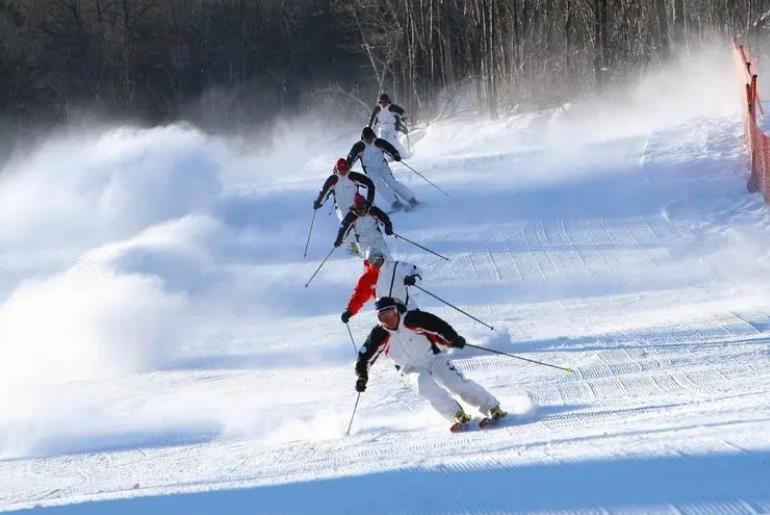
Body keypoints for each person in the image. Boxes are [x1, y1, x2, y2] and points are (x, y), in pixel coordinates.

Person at [354, 296, 507, 432]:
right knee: (425, 387)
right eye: (382, 316)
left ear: (396, 311)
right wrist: (362, 377)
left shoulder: (412, 319)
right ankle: (456, 415)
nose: (387, 318)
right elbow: (364, 358)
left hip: (433, 358)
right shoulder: (379, 334)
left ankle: (491, 407)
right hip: (409, 369)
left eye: (389, 312)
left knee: (454, 383)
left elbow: (437, 325)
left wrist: (453, 338)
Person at [340, 248, 421, 324]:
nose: (377, 262)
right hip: (387, 315)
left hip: (408, 308)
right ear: (369, 261)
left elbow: (414, 270)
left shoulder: (394, 267)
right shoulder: (367, 278)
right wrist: (349, 311)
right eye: (373, 259)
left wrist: (413, 278)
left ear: (383, 257)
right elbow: (358, 296)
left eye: (379, 258)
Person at [347, 127, 418, 213]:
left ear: (373, 136)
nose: (369, 140)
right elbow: (351, 157)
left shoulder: (378, 142)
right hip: (370, 170)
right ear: (363, 137)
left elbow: (390, 148)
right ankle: (395, 203)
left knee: (392, 182)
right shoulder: (359, 146)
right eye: (367, 138)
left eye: (371, 137)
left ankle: (411, 199)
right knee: (378, 185)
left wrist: (395, 154)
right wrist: (348, 165)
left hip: (383, 167)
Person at [334, 193, 393, 259]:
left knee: (387, 256)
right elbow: (343, 228)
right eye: (359, 209)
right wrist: (339, 239)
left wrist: (388, 227)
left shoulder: (373, 210)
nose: (362, 211)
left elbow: (385, 218)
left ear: (365, 205)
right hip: (363, 242)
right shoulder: (351, 216)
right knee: (372, 261)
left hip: (377, 238)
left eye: (363, 208)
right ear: (355, 207)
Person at [368, 93, 409, 158]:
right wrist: (369, 127)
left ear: (388, 101)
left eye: (385, 102)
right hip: (383, 128)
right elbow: (372, 118)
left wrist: (404, 117)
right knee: (382, 143)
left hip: (392, 127)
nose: (384, 104)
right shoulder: (378, 109)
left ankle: (404, 155)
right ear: (380, 102)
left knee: (392, 141)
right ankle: (388, 157)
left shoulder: (391, 107)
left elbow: (401, 111)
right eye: (382, 102)